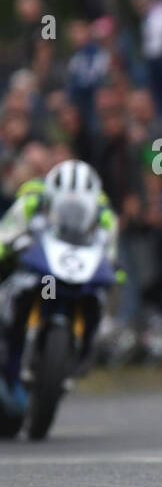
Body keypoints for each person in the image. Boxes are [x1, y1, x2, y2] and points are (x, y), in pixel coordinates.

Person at [0, 161, 118, 414]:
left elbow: (111, 251)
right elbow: (6, 232)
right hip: (33, 268)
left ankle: (83, 351)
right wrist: (7, 246)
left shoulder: (104, 213)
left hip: (70, 272)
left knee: (98, 296)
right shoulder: (32, 200)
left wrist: (114, 269)